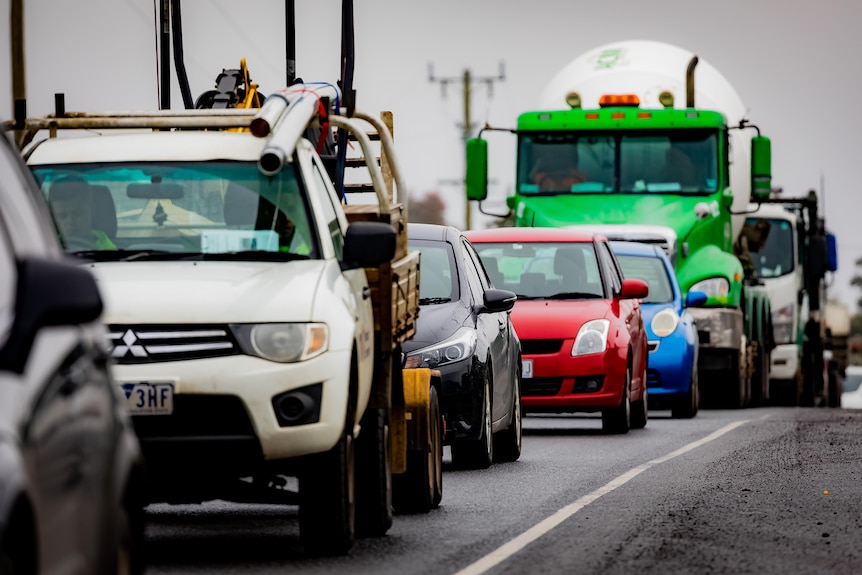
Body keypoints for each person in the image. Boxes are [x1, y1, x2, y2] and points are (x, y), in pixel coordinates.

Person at [49, 178, 117, 250]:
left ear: (92, 210)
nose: (70, 222)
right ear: (53, 218)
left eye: (77, 213)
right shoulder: (47, 246)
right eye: (62, 216)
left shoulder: (106, 245)